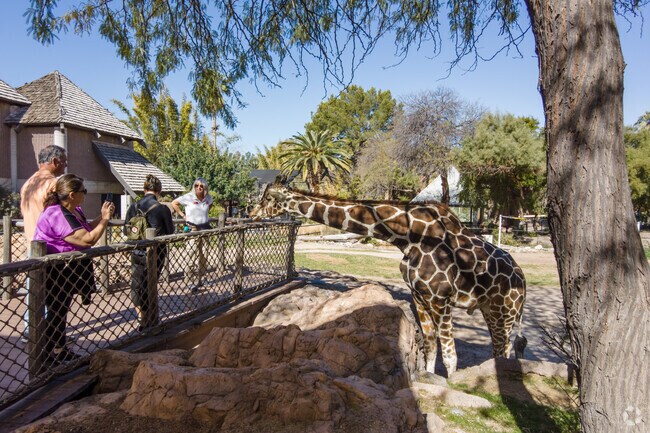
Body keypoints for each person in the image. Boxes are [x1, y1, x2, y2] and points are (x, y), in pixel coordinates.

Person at [33, 174, 114, 363]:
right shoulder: (56, 213)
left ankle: (59, 350)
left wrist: (102, 218)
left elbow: (85, 229)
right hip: (54, 270)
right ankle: (47, 355)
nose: (85, 195)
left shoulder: (74, 210)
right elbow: (87, 239)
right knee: (55, 311)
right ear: (71, 194)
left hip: (67, 269)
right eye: (82, 191)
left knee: (61, 310)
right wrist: (105, 220)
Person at [20, 145, 67, 343]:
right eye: (64, 161)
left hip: (33, 243)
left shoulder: (28, 183)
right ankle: (50, 336)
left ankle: (31, 329)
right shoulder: (54, 184)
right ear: (55, 162)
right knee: (54, 295)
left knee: (35, 288)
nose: (65, 165)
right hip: (51, 245)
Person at [124, 174, 173, 330]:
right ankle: (150, 318)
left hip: (136, 249)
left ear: (144, 189)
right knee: (150, 284)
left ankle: (141, 316)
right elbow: (170, 231)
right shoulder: (162, 209)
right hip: (156, 252)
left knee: (137, 284)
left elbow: (126, 229)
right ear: (159, 191)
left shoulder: (133, 207)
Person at [171, 177, 213, 292]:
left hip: (205, 229)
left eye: (201, 186)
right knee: (190, 256)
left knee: (204, 255)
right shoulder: (188, 197)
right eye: (197, 185)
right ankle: (189, 281)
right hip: (192, 229)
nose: (199, 187)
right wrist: (183, 216)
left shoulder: (208, 198)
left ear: (205, 187)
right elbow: (174, 203)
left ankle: (202, 278)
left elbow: (210, 206)